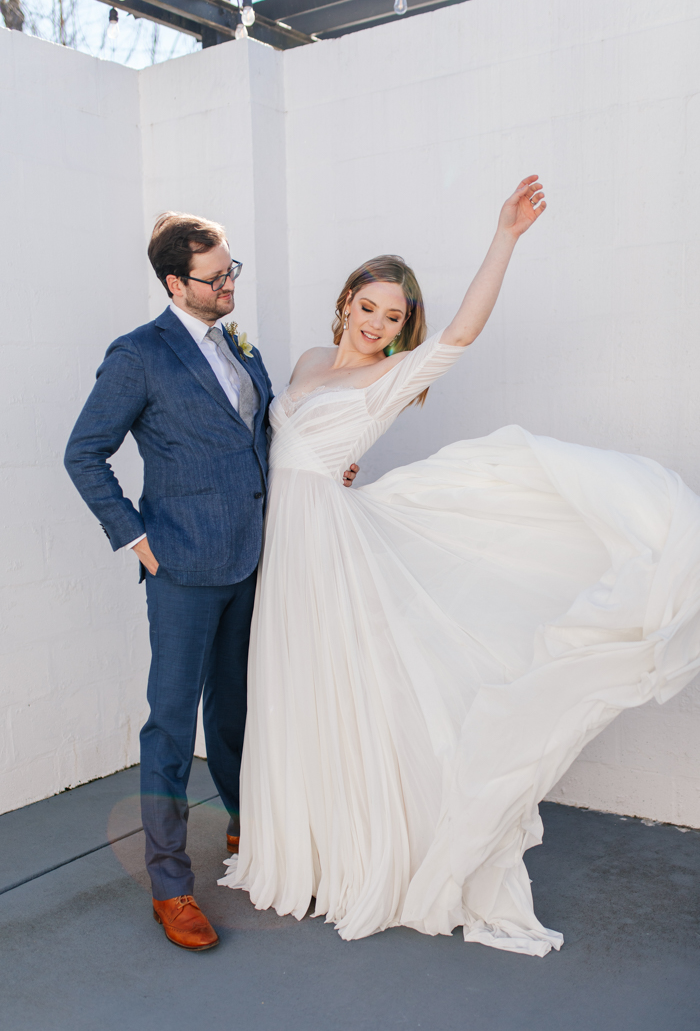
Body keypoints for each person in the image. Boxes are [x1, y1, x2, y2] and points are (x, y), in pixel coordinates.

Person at [220, 176, 700, 956]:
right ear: (346, 301)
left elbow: (464, 334)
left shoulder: (389, 378)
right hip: (286, 551)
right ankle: (295, 844)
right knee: (291, 688)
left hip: (327, 555)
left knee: (343, 692)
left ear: (405, 328)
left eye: (394, 317)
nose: (377, 325)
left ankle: (357, 850)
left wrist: (504, 236)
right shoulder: (308, 358)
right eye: (368, 307)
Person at [64, 211, 360, 951]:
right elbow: (84, 453)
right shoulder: (139, 354)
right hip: (183, 569)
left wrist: (324, 466)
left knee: (237, 712)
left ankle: (247, 828)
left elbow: (257, 438)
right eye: (216, 275)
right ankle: (170, 884)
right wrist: (137, 539)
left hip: (254, 559)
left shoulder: (236, 343)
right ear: (175, 282)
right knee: (171, 726)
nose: (230, 284)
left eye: (233, 270)